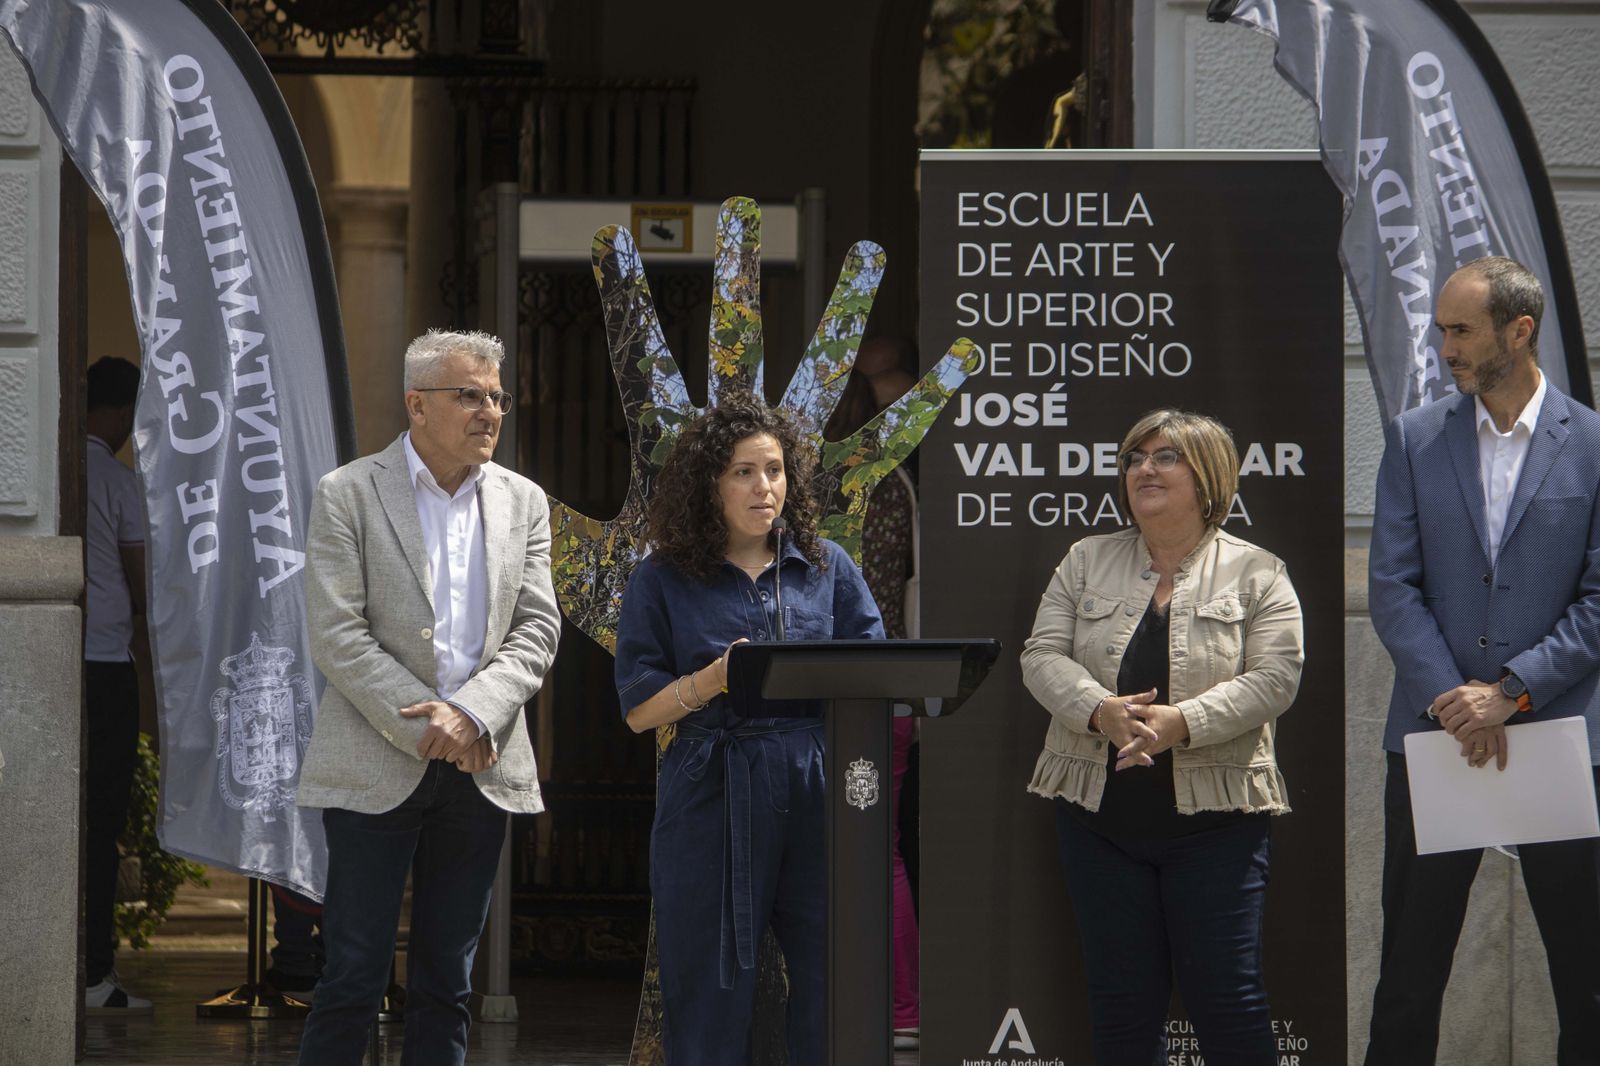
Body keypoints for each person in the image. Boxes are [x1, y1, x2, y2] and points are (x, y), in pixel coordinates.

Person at [294, 329, 562, 1065]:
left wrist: (471, 714)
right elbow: (337, 635)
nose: (489, 412)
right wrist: (432, 721)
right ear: (417, 405)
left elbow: (537, 628)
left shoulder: (523, 501)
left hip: (481, 765)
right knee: (352, 974)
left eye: (497, 397)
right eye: (469, 395)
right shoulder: (348, 492)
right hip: (374, 761)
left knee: (449, 981)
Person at [1365, 256, 1600, 1066]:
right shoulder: (1415, 438)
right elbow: (1392, 586)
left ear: (1519, 330)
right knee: (1409, 972)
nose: (1446, 349)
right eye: (1442, 330)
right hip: (1436, 736)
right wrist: (1456, 700)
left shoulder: (1593, 444)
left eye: (1461, 331)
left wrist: (1512, 692)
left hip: (1558, 736)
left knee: (1587, 975)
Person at [1020, 409, 1304, 1065]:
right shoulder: (1085, 559)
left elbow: (1277, 678)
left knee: (1229, 1006)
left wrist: (1183, 722)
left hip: (1217, 828)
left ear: (1208, 478)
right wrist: (1099, 710)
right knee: (1122, 1012)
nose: (1144, 468)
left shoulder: (1259, 572)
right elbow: (1040, 655)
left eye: (1165, 456)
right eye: (1134, 458)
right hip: (1099, 825)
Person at [614, 395, 884, 1066]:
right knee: (709, 987)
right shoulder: (661, 578)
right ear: (709, 484)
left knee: (833, 975)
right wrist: (713, 679)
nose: (765, 487)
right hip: (713, 782)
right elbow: (639, 710)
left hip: (815, 781)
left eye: (775, 470)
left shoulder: (827, 567)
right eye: (743, 472)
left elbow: (874, 673)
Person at [82, 355, 153, 1015]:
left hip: (56, 659)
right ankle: (93, 973)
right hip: (104, 664)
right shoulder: (117, 481)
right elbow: (142, 580)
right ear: (127, 413)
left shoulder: (51, 472)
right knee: (101, 821)